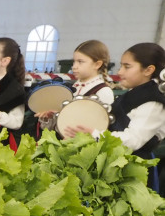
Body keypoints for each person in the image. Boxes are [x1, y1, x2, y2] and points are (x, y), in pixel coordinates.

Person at [64, 43, 165, 193]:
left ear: (148, 70)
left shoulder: (153, 101)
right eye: (121, 66)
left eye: (127, 67)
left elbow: (134, 140)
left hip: (133, 172)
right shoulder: (134, 93)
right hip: (117, 165)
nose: (120, 71)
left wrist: (94, 134)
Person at [37, 40, 115, 130]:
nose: (74, 66)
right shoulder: (73, 87)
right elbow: (60, 125)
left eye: (80, 62)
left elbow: (99, 128)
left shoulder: (103, 92)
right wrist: (50, 117)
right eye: (74, 62)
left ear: (97, 64)